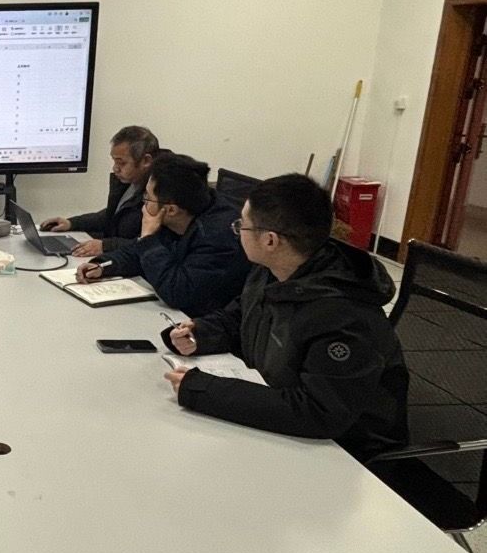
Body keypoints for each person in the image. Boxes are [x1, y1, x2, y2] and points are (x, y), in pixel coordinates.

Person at [161, 174, 408, 461]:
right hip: (284, 431)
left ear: (270, 240)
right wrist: (199, 334)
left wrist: (204, 390)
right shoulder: (272, 271)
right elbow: (240, 317)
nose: (237, 231)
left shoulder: (344, 315)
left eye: (242, 225)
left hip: (347, 455)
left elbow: (318, 412)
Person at [76, 153, 250, 316]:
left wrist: (148, 239)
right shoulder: (184, 210)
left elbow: (178, 293)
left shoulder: (218, 237)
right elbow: (137, 251)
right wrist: (102, 266)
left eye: (147, 197)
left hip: (197, 322)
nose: (143, 204)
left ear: (171, 210)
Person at [40, 126, 162, 257]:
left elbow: (153, 243)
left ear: (146, 161)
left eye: (122, 163)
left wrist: (105, 246)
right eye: (114, 161)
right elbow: (112, 216)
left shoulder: (162, 191)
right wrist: (71, 223)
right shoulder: (130, 182)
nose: (115, 168)